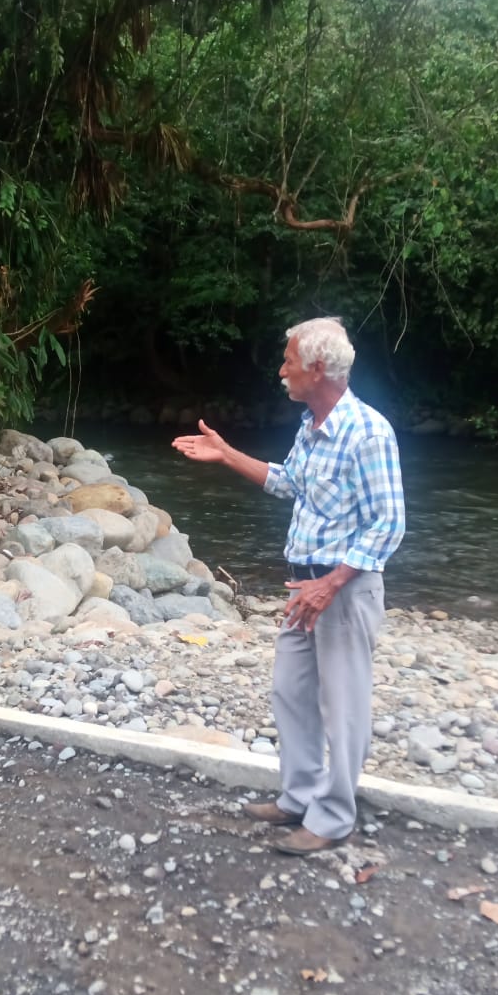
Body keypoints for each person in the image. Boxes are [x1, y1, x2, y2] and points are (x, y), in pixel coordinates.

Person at [172, 317, 405, 854]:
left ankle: (333, 818)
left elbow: (389, 524)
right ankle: (299, 797)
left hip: (342, 591)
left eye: (289, 361)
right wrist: (227, 454)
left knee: (343, 708)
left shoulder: (368, 433)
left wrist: (333, 582)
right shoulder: (312, 427)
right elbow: (289, 483)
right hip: (305, 587)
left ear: (317, 369)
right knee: (291, 691)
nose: (281, 371)